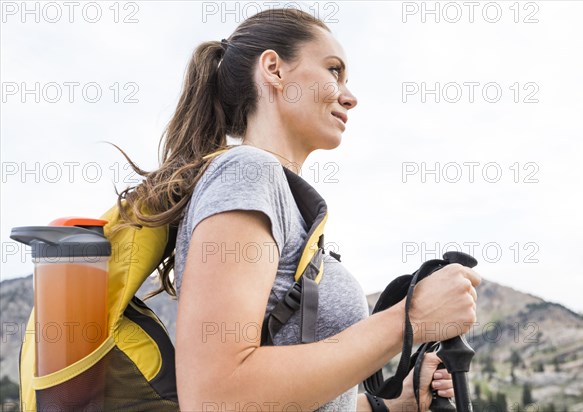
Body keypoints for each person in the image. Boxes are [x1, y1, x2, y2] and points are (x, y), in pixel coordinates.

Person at [114, 8, 481, 412]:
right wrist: (411, 318)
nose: (350, 96)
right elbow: (216, 396)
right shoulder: (247, 173)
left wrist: (398, 403)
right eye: (333, 70)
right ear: (273, 69)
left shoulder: (280, 196)